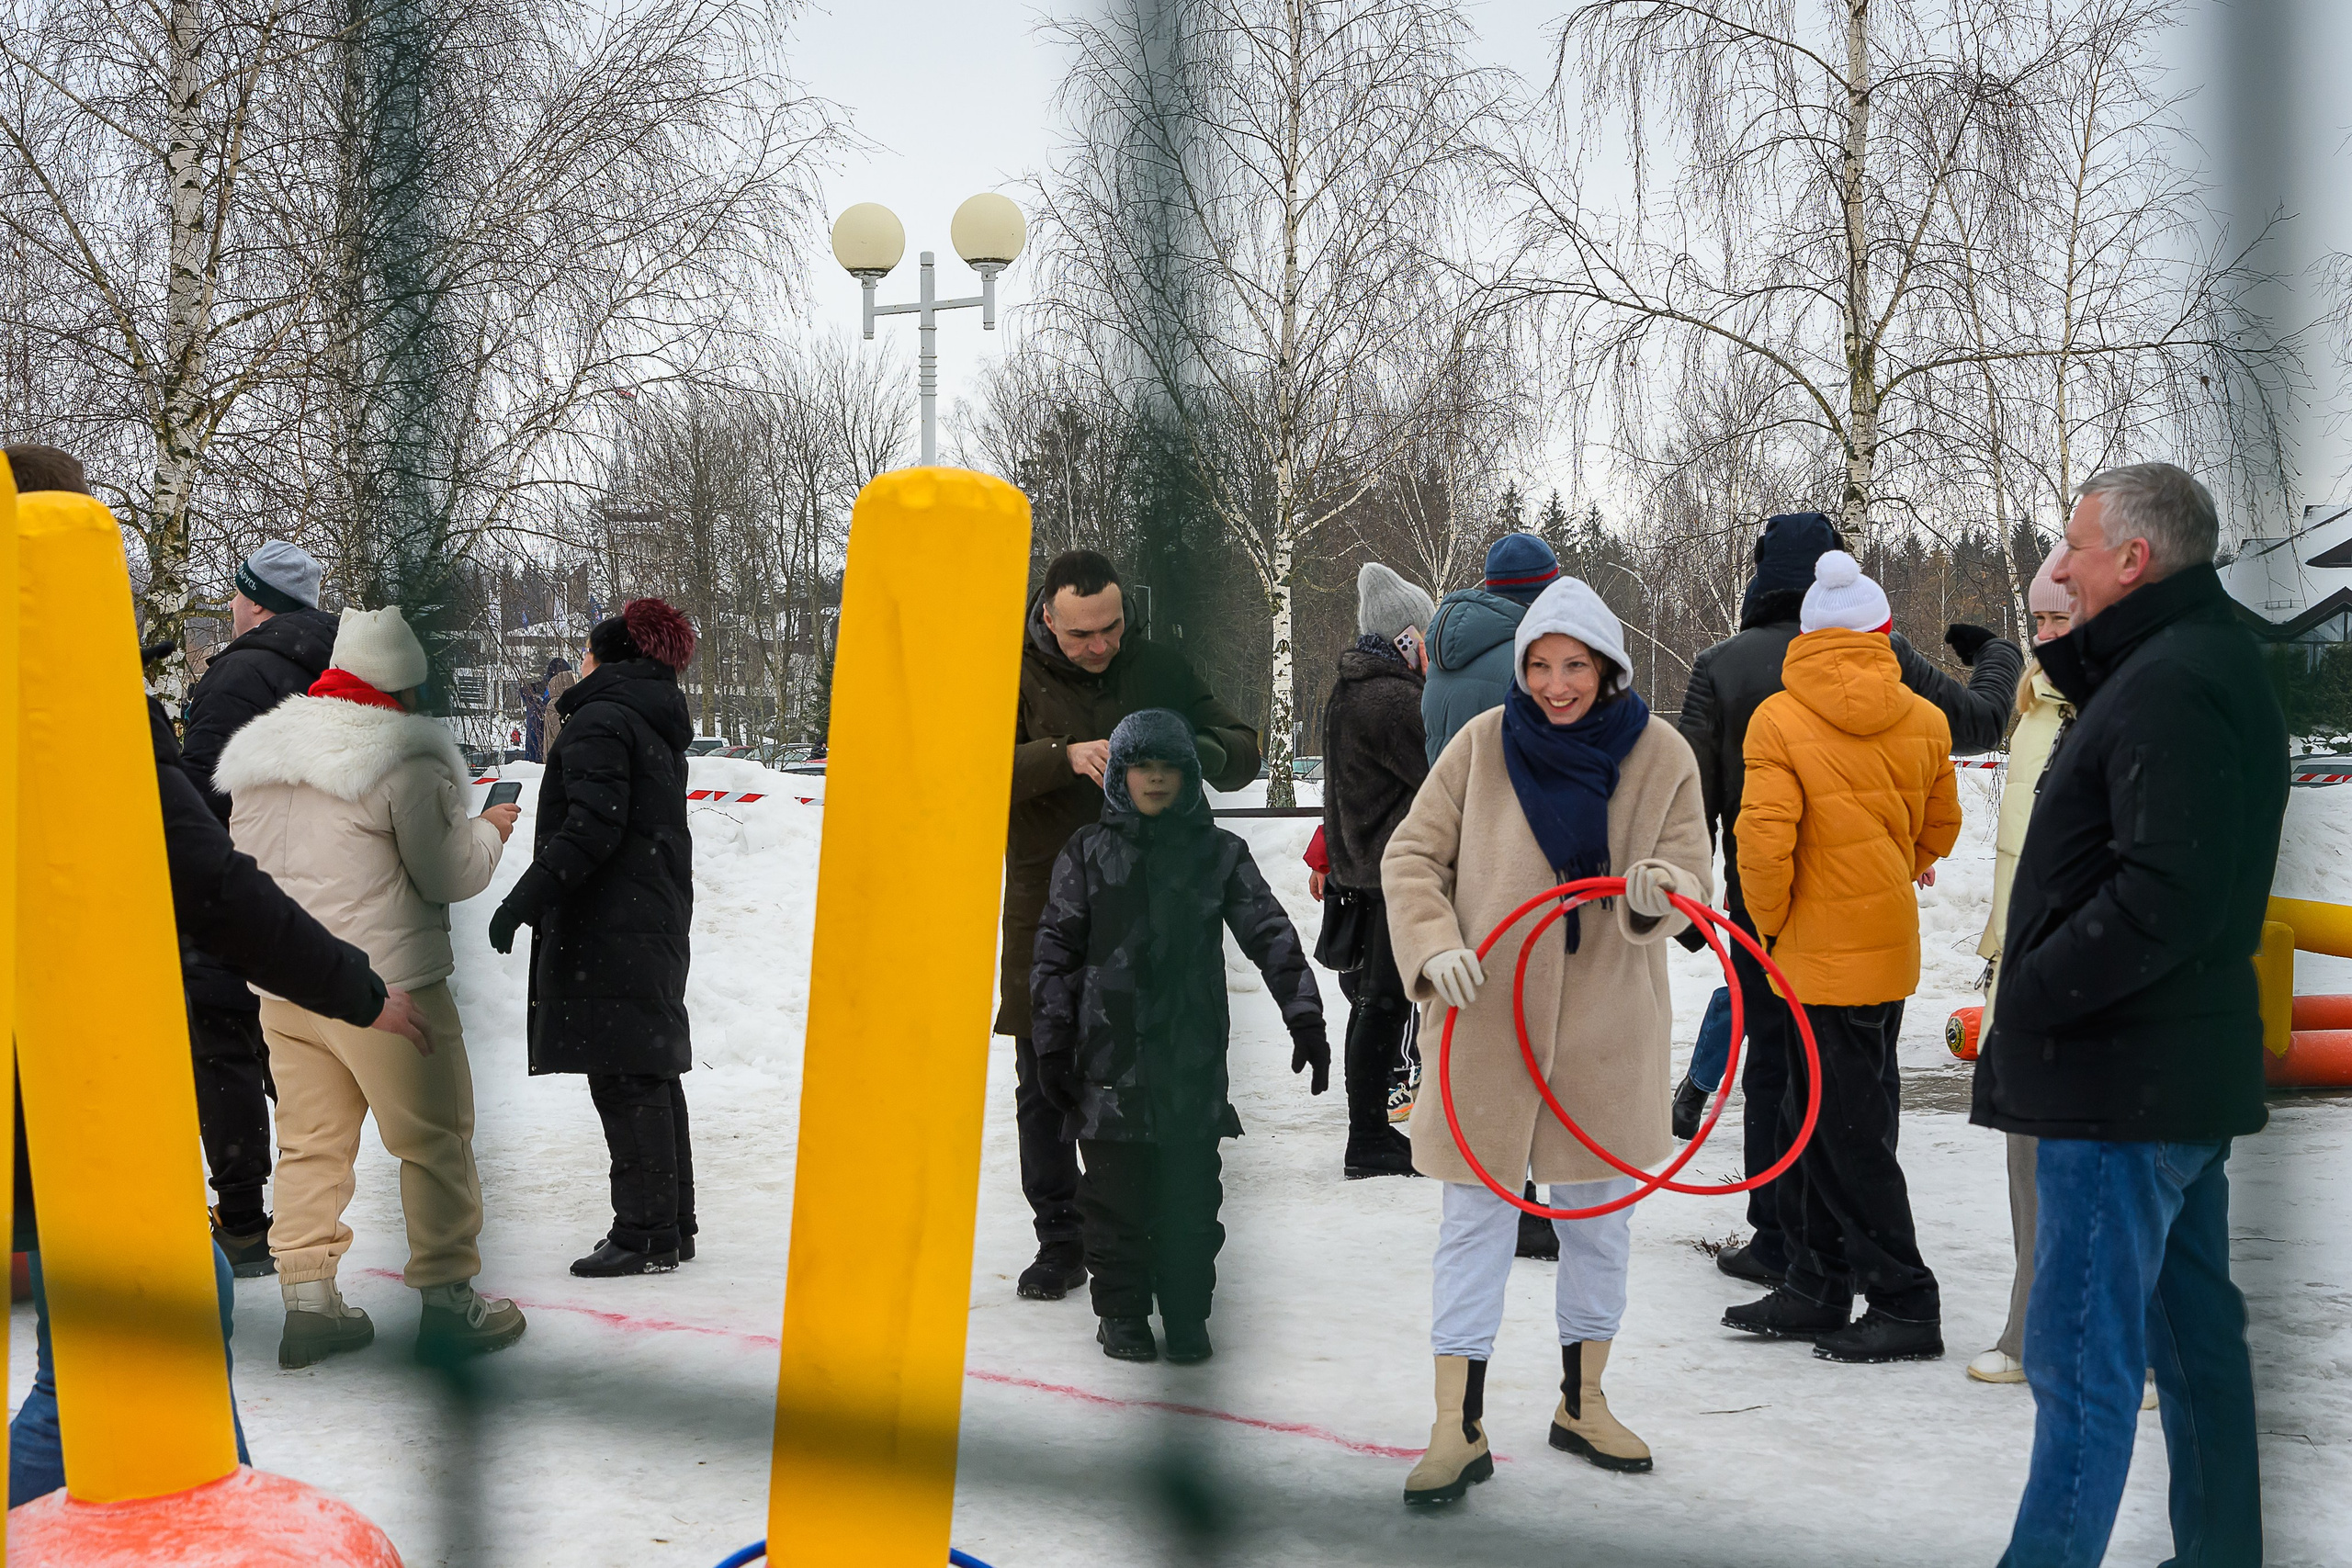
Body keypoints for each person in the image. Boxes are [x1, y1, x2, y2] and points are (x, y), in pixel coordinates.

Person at [5, 445, 424, 1502]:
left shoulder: (221, 684)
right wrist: (362, 983)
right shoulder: (77, 682)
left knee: (265, 1184)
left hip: (129, 1014)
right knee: (145, 1346)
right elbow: (201, 867)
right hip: (95, 1054)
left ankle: (277, 1267)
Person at [1974, 464, 2282, 1567]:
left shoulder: (2169, 680)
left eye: (2072, 544)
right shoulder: (2171, 663)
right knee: (2191, 1345)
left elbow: (2167, 893)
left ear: (2133, 559)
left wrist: (2034, 993)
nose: (2055, 564)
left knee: (2080, 1368)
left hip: (2121, 1089)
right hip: (2163, 1080)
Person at [1382, 576, 1711, 1503]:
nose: (1554, 683)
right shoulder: (1483, 745)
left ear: (1608, 667)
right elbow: (1411, 855)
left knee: (1600, 1222)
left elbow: (1691, 873)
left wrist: (1661, 888)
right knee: (1473, 1223)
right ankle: (1457, 1425)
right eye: (1538, 665)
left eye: (1572, 665)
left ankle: (1583, 1400)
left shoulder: (1662, 754)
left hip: (1608, 1029)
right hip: (1488, 1021)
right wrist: (1434, 944)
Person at [1676, 511, 2020, 1287]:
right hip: (1865, 912)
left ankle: (1780, 1241)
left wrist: (1690, 906)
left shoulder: (1722, 666)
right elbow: (1980, 721)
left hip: (1761, 913)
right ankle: (1850, 1243)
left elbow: (1686, 795)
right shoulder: (1883, 655)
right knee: (1864, 1080)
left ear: (1761, 575)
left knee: (1775, 1068)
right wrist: (1997, 654)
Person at [215, 604, 527, 1367]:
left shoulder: (262, 754)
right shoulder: (401, 757)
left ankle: (310, 1302)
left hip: (288, 988)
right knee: (433, 1141)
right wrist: (492, 828)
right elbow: (448, 871)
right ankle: (450, 1301)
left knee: (310, 1145)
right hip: (392, 990)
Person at [1001, 549, 1261, 1302]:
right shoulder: (1010, 675)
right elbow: (963, 769)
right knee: (1045, 1075)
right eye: (1081, 634)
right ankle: (1060, 1237)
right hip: (1048, 907)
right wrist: (1059, 756)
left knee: (1161, 1073)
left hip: (1159, 911)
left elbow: (1241, 747)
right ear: (1047, 617)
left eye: (1111, 628)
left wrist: (1193, 750)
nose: (1099, 646)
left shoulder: (1159, 664)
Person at [1030, 710, 1329, 1366]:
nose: (1156, 778)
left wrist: (1304, 1014)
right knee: (1114, 1209)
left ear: (1190, 777)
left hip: (1191, 1072)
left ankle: (1189, 1317)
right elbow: (1054, 953)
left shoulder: (1218, 853)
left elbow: (1271, 935)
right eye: (1142, 767)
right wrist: (1051, 1045)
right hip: (1106, 1074)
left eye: (1169, 767)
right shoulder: (1086, 852)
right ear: (1120, 776)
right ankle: (1124, 1316)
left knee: (1193, 1210)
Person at [1721, 551, 1961, 1363]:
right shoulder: (1926, 719)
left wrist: (1780, 931)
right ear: (1882, 634)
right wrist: (1895, 862)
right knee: (1815, 1120)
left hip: (1810, 957)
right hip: (1886, 952)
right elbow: (1942, 830)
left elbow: (1763, 848)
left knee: (1843, 1131)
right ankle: (1818, 1281)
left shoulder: (1780, 720)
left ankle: (1904, 1297)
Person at [489, 601, 698, 1278]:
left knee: (625, 1076)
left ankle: (643, 1233)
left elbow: (591, 829)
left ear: (604, 658)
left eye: (583, 649)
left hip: (613, 923)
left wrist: (521, 902)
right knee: (650, 1070)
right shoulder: (649, 719)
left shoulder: (602, 719)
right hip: (650, 915)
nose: (577, 660)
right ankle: (672, 1224)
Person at [173, 537, 341, 1274]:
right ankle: (311, 1218)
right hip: (318, 885)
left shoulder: (238, 675)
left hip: (236, 884)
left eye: (237, 594)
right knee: (297, 1052)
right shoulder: (338, 668)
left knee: (225, 1046)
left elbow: (198, 796)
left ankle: (242, 1217)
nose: (232, 606)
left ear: (255, 600)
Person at [1419, 532, 1573, 1258]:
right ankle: (1526, 1203)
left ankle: (1486, 1187)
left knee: (1479, 1033)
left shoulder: (1443, 657)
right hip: (1520, 860)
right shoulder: (1528, 663)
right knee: (1531, 1033)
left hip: (1460, 860)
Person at [1967, 554, 2078, 1387]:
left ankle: (2130, 1349)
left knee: (2106, 1172)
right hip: (2024, 969)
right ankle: (2027, 1324)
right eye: (2037, 623)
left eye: (2061, 622)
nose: (2044, 639)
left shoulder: (2127, 704)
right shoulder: (2033, 709)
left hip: (2095, 978)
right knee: (2027, 1157)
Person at [1318, 563, 1435, 1179]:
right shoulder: (1392, 699)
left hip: (1362, 868)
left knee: (1374, 1003)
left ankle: (1369, 1131)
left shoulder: (1351, 690)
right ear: (1406, 638)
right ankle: (1367, 1136)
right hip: (1391, 869)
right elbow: (1442, 774)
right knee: (1382, 1004)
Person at [1420, 533, 1559, 765]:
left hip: (1449, 799)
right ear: (1543, 595)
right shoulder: (1528, 662)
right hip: (1509, 801)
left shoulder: (1438, 663)